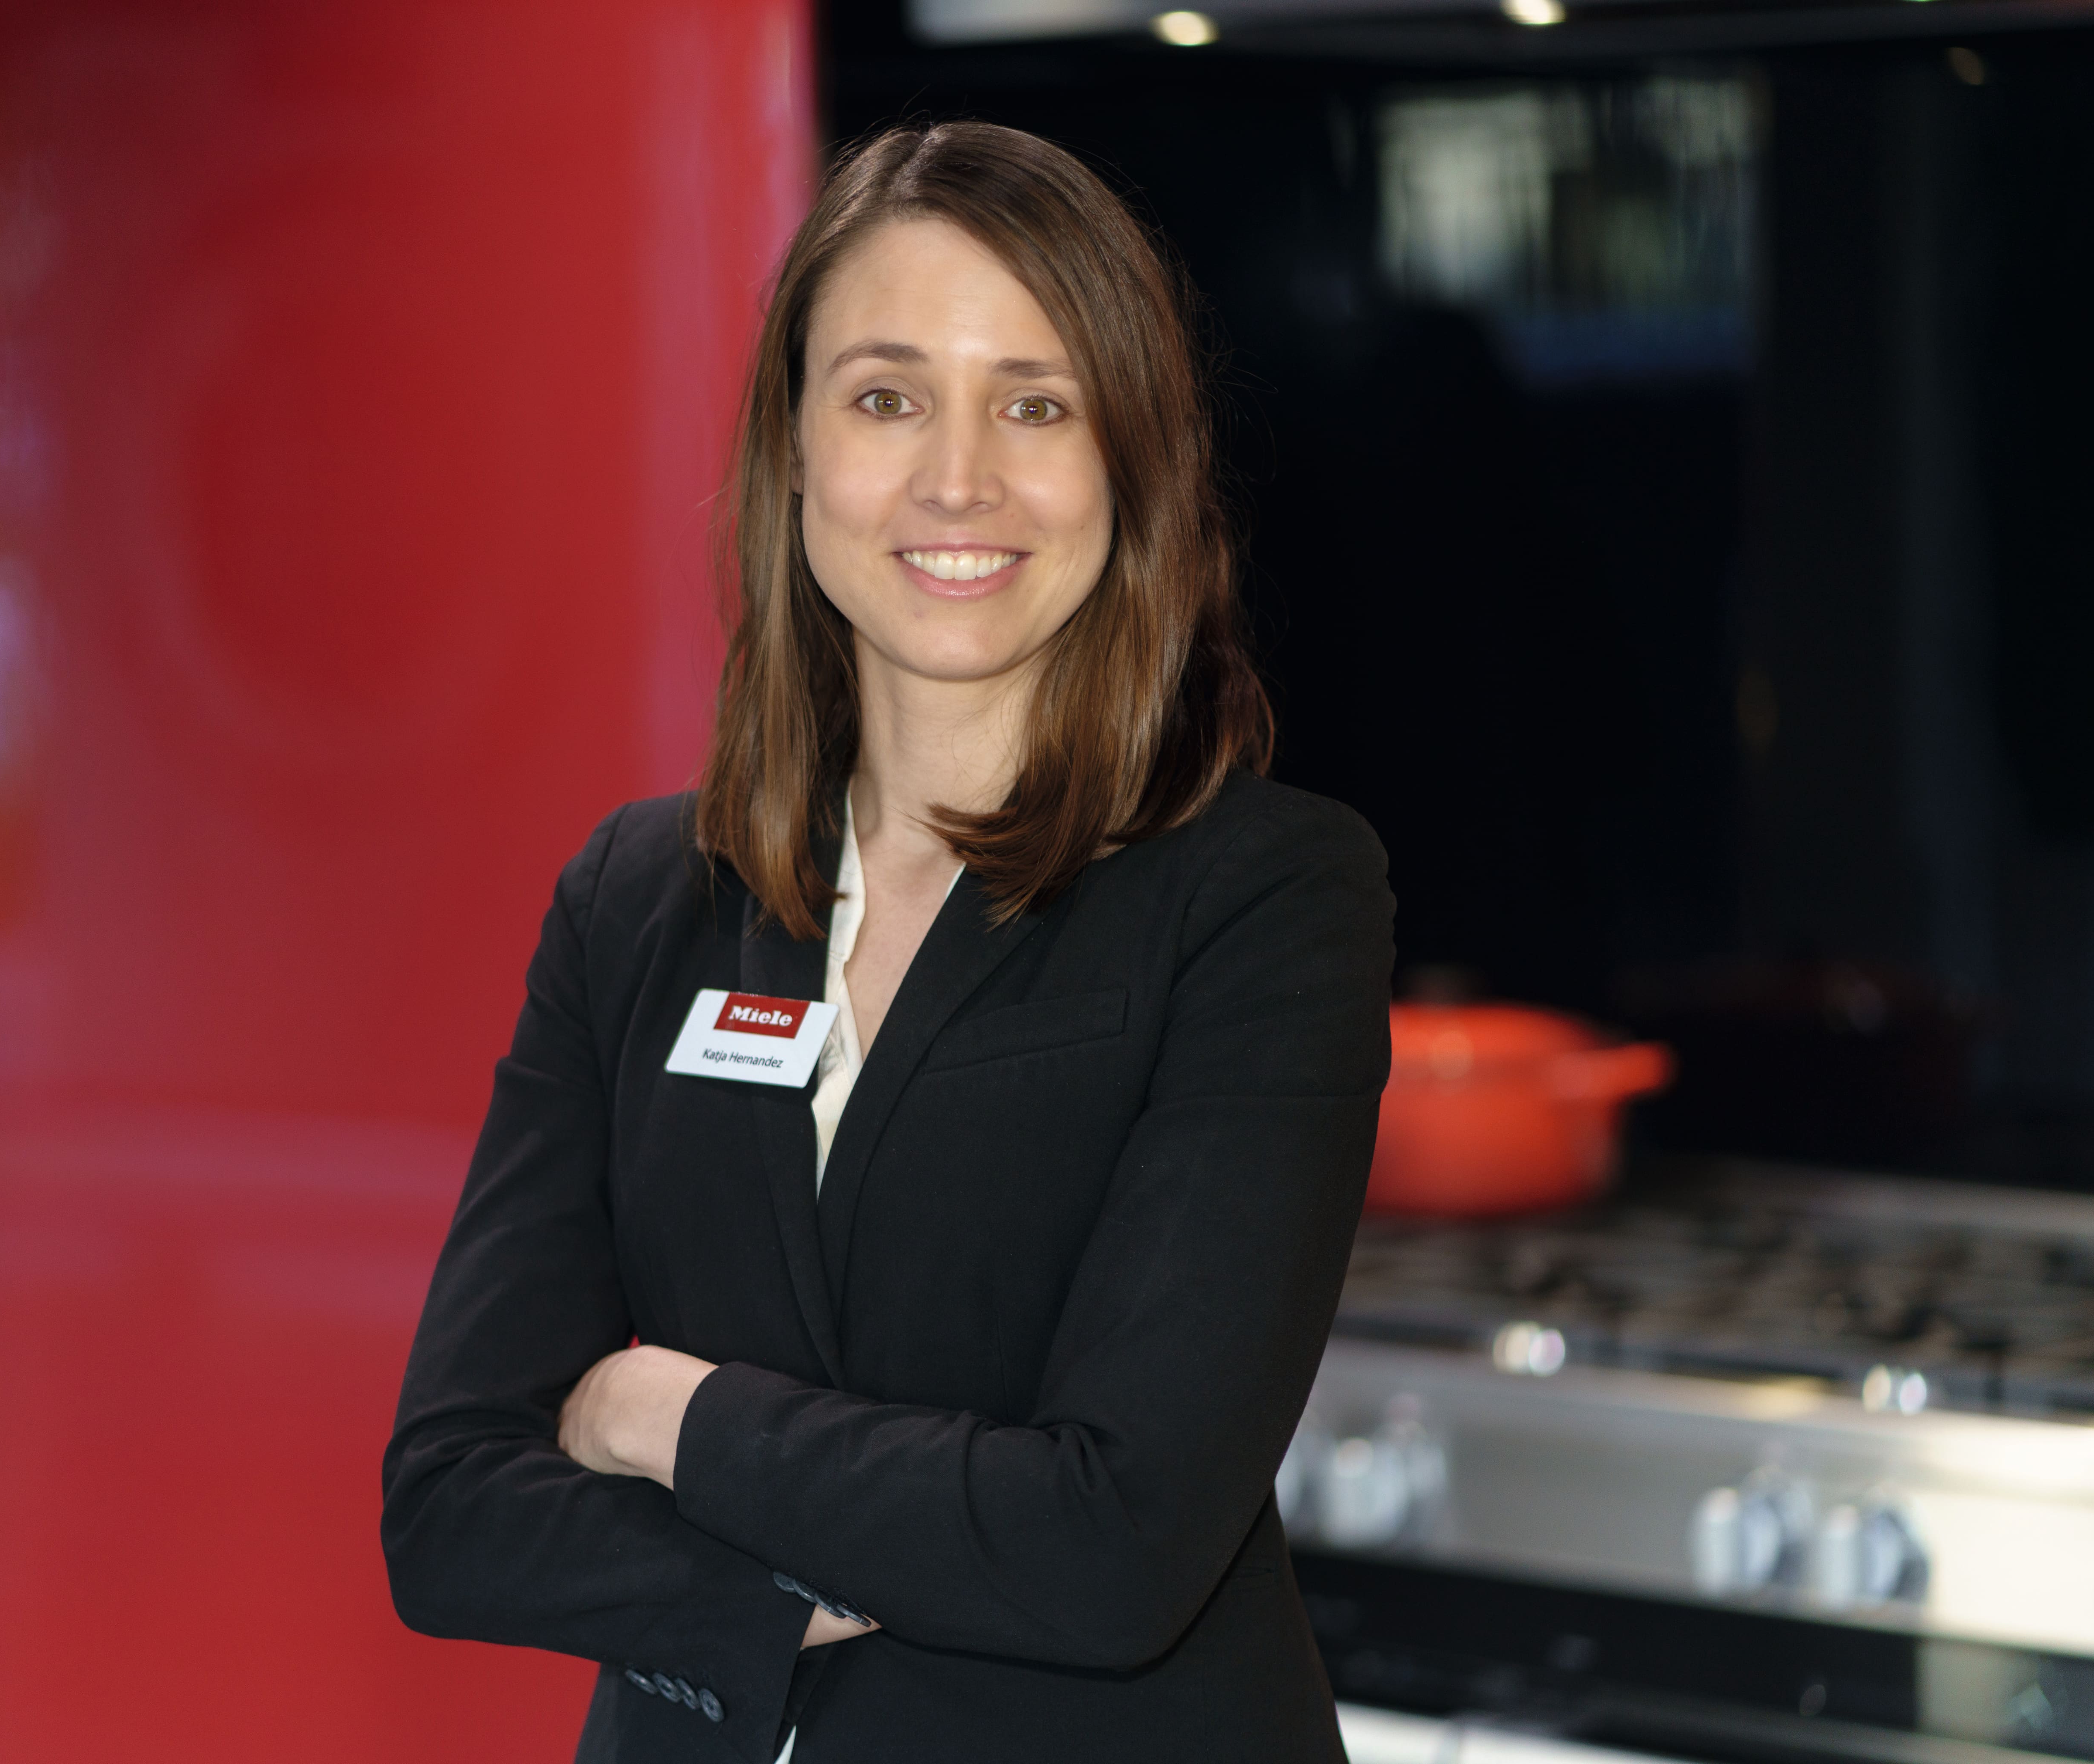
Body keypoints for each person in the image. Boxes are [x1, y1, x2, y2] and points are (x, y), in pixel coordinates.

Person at [381, 121, 1393, 1764]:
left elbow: (1112, 1544)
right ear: (796, 452)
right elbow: (450, 1506)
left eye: (1035, 405)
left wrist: (670, 1412)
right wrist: (786, 1594)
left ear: (1130, 462)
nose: (957, 479)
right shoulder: (638, 898)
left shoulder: (1264, 900)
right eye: (886, 398)